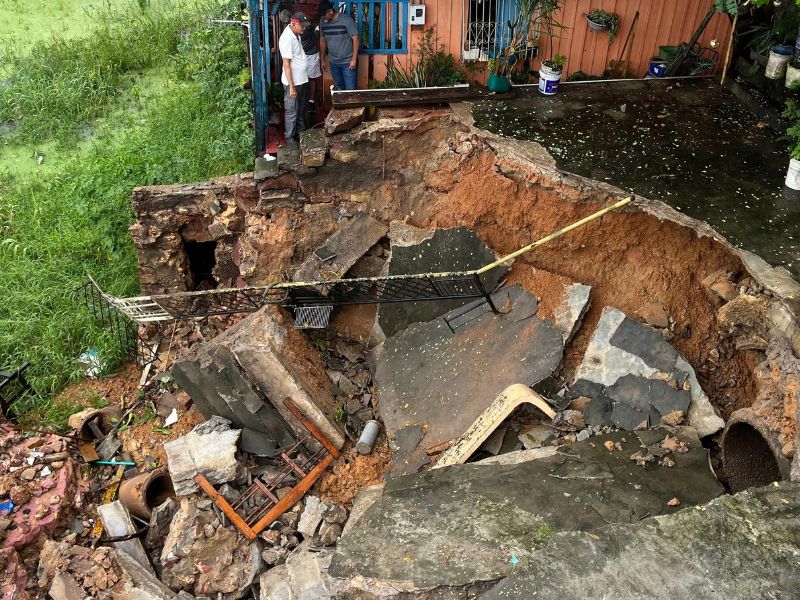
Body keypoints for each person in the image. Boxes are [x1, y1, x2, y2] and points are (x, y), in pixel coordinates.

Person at [279, 12, 311, 143]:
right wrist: (291, 87)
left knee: (301, 108)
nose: (304, 28)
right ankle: (290, 137)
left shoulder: (295, 34)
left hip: (301, 80)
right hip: (293, 83)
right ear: (293, 24)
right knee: (292, 110)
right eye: (302, 26)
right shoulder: (286, 38)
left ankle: (300, 133)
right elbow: (286, 64)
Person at [318, 0, 359, 91]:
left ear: (330, 11)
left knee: (350, 91)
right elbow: (322, 40)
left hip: (348, 63)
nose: (323, 18)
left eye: (324, 15)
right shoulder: (322, 21)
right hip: (333, 63)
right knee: (339, 90)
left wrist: (354, 59)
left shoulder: (346, 20)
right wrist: (322, 60)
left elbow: (355, 38)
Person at [301, 13, 322, 119]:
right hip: (302, 57)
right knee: (304, 79)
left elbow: (318, 36)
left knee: (312, 78)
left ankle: (311, 100)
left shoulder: (312, 30)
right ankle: (306, 99)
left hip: (313, 55)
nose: (306, 26)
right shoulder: (299, 32)